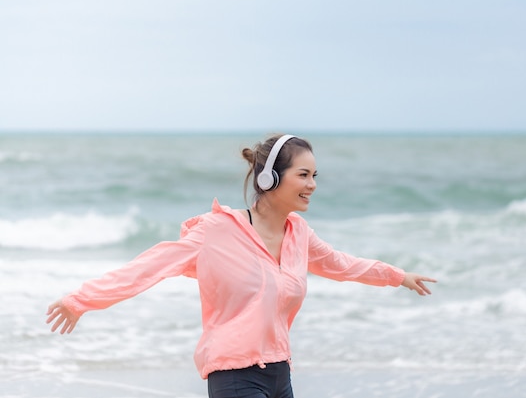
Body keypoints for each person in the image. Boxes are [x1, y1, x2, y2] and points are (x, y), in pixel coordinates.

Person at [46, 133, 437, 398]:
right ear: (270, 178)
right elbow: (151, 265)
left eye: (315, 175)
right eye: (303, 174)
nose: (313, 184)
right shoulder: (217, 231)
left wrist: (397, 276)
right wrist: (81, 300)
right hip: (234, 374)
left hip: (280, 372)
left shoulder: (298, 233)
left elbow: (341, 264)